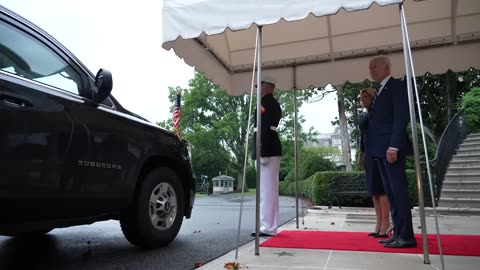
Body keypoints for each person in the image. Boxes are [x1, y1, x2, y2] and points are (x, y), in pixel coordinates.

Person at [366, 56, 416, 248]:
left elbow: (400, 117)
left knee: (398, 191)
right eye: (370, 68)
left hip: (390, 149)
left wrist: (394, 145)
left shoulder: (396, 86)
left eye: (375, 67)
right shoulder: (380, 91)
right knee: (391, 193)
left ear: (387, 67)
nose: (372, 70)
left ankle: (407, 235)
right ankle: (398, 232)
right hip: (379, 151)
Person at [251, 75, 282, 237]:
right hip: (270, 147)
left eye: (259, 86)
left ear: (267, 87)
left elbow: (264, 127)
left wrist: (261, 149)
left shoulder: (266, 102)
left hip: (266, 148)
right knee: (269, 189)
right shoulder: (272, 103)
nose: (257, 90)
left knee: (266, 190)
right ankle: (270, 225)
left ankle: (267, 227)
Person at [358, 88, 391, 238]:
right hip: (369, 154)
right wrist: (360, 156)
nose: (363, 99)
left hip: (379, 151)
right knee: (374, 191)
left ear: (372, 97)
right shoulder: (365, 115)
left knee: (381, 189)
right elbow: (362, 138)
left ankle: (386, 223)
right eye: (361, 97)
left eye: (366, 96)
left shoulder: (378, 112)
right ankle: (378, 223)